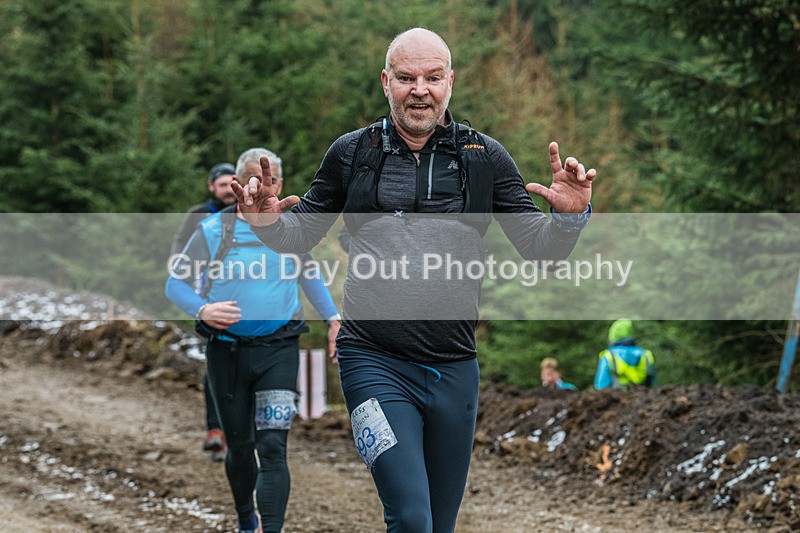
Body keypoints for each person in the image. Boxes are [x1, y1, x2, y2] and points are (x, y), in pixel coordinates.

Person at [233, 28, 596, 533]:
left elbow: (541, 250)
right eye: (406, 78)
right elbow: (301, 232)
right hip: (372, 362)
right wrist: (268, 223)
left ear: (450, 81)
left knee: (439, 526)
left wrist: (571, 219)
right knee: (410, 519)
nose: (419, 90)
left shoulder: (484, 158)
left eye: (431, 77)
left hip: (455, 369)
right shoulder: (352, 153)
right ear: (386, 82)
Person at [165, 147, 341, 533]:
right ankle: (247, 519)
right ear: (237, 184)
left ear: (280, 184)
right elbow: (174, 283)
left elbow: (309, 275)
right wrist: (202, 309)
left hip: (279, 349)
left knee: (274, 448)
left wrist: (332, 318)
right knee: (242, 449)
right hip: (226, 353)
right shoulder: (214, 230)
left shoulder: (292, 228)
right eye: (254, 179)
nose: (263, 186)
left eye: (272, 180)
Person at [170, 162, 238, 462]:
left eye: (231, 183)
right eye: (221, 184)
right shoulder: (199, 215)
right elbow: (180, 246)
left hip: (245, 299)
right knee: (216, 367)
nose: (226, 189)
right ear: (211, 186)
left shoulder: (248, 212)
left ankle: (240, 433)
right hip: (207, 299)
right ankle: (216, 431)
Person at [595, 318, 656, 389]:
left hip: (615, 398)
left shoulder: (608, 356)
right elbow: (653, 385)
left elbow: (601, 386)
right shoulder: (646, 355)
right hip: (642, 398)